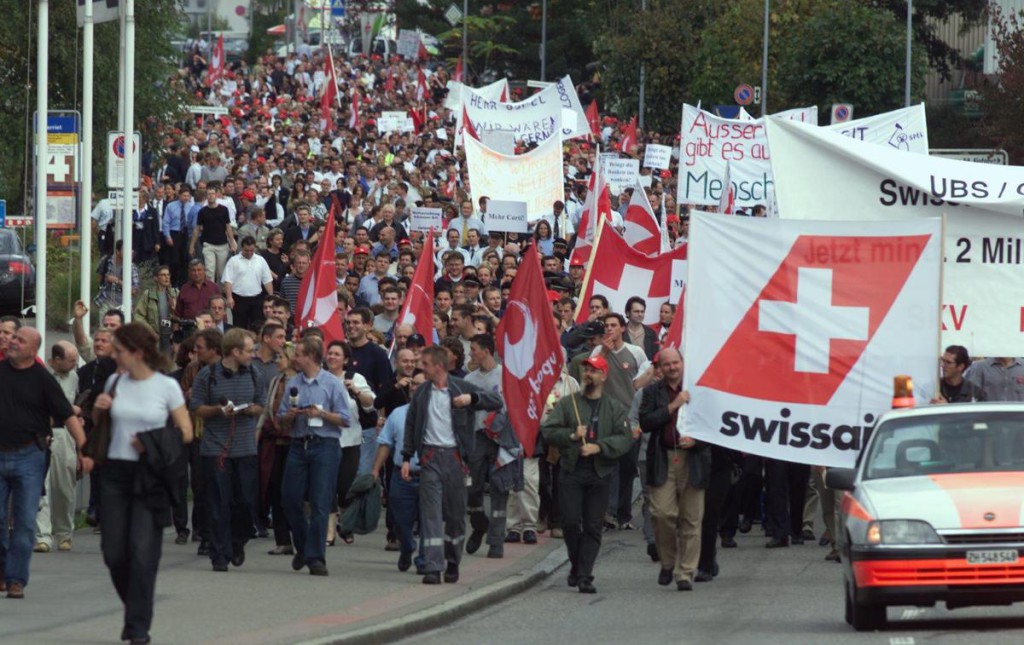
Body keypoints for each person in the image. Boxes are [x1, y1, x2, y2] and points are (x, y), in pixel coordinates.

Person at [92, 323, 192, 643]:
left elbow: (186, 432)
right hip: (115, 474)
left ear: (137, 352)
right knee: (113, 552)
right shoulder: (113, 381)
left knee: (142, 552)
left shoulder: (166, 387)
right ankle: (135, 607)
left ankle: (138, 628)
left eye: (119, 350)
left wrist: (151, 442)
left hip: (150, 475)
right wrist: (97, 410)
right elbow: (103, 426)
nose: (114, 355)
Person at [400, 346, 503, 585]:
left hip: (456, 460)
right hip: (429, 459)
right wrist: (407, 457)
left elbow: (496, 401)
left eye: (424, 364)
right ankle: (433, 567)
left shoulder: (461, 387)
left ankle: (453, 561)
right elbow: (411, 425)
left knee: (456, 517)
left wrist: (472, 399)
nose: (421, 368)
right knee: (431, 515)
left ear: (438, 366)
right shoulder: (422, 393)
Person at [0, 328, 90, 599]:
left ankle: (16, 580)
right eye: (13, 338)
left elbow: (68, 415)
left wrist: (84, 450)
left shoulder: (43, 379)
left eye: (20, 340)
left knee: (26, 522)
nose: (13, 342)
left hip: (30, 457)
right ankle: (3, 571)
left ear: (33, 349)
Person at [540, 354, 632, 594]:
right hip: (571, 470)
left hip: (600, 473)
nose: (588, 375)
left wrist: (600, 447)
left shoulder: (614, 407)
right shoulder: (568, 404)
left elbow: (624, 438)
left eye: (593, 371)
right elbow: (549, 430)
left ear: (603, 375)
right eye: (585, 370)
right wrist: (571, 435)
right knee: (570, 522)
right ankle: (576, 564)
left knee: (592, 525)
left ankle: (584, 575)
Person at [189, 329, 265, 572]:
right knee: (218, 503)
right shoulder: (208, 375)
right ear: (235, 351)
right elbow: (197, 407)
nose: (253, 355)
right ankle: (219, 554)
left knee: (245, 501)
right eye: (249, 351)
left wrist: (252, 410)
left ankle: (238, 540)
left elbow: (261, 405)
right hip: (216, 449)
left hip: (245, 448)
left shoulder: (255, 373)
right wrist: (218, 411)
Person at [276, 337, 353, 576]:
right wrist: (290, 414)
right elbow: (280, 419)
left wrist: (322, 413)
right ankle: (304, 546)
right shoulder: (293, 383)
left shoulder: (331, 383)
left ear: (310, 356)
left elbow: (345, 419)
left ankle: (316, 557)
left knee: (320, 502)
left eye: (298, 354)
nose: (294, 358)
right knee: (289, 499)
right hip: (299, 444)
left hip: (325, 445)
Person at [638, 347, 708, 591]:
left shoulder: (698, 390)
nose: (672, 368)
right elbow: (645, 422)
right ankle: (668, 562)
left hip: (693, 459)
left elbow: (713, 426)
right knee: (661, 513)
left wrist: (697, 440)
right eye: (666, 364)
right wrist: (672, 406)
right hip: (663, 458)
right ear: (661, 367)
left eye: (675, 363)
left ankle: (685, 573)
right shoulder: (652, 392)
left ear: (682, 362)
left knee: (691, 519)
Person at [372, 371, 428, 574]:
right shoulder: (398, 413)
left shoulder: (437, 413)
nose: (415, 388)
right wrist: (375, 470)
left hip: (428, 476)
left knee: (427, 523)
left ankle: (424, 560)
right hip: (401, 476)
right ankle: (407, 547)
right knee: (400, 521)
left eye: (421, 384)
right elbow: (386, 443)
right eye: (413, 384)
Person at [324, 341, 375, 544]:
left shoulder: (355, 378)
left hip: (350, 439)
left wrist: (355, 390)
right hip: (326, 440)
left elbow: (370, 403)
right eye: (330, 353)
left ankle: (345, 522)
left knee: (345, 488)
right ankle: (329, 532)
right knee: (327, 486)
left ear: (345, 359)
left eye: (337, 354)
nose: (332, 357)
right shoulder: (320, 378)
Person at [34, 341, 82, 554]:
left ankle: (64, 533)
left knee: (64, 486)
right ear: (56, 360)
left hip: (65, 435)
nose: (75, 364)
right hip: (45, 434)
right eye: (71, 360)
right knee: (41, 488)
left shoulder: (74, 377)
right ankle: (43, 535)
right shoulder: (41, 377)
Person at [463, 334, 505, 558]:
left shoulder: (507, 376)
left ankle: (497, 541)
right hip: (477, 438)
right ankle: (479, 525)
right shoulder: (469, 379)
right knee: (473, 489)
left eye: (474, 349)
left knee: (499, 490)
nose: (471, 353)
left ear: (486, 351)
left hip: (501, 439)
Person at [222, 235, 274, 332]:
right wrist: (229, 297)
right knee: (239, 328)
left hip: (257, 299)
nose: (249, 253)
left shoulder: (260, 260)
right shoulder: (233, 261)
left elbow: (267, 280)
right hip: (239, 299)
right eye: (247, 251)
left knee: (258, 327)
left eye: (252, 250)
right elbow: (228, 280)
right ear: (242, 248)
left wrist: (271, 297)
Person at [190, 185, 237, 283]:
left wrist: (232, 242)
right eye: (208, 194)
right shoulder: (202, 211)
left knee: (221, 273)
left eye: (212, 194)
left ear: (216, 195)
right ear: (206, 196)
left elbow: (228, 227)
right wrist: (192, 246)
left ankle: (219, 294)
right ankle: (210, 294)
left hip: (222, 244)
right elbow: (197, 229)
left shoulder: (224, 209)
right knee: (209, 271)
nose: (210, 196)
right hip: (208, 244)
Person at [134, 265, 179, 355]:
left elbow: (182, 315)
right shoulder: (148, 295)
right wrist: (151, 332)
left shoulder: (176, 293)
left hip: (172, 338)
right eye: (163, 275)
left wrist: (174, 309)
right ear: (156, 278)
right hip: (154, 338)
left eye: (168, 275)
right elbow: (138, 315)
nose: (166, 277)